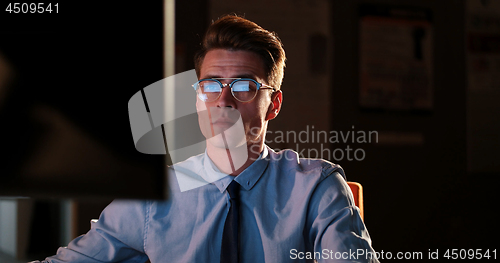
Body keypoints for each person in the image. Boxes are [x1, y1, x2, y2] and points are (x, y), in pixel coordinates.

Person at [32, 15, 379, 263]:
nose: (223, 101)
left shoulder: (315, 187)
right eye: (210, 86)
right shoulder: (153, 197)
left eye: (244, 87)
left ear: (273, 104)